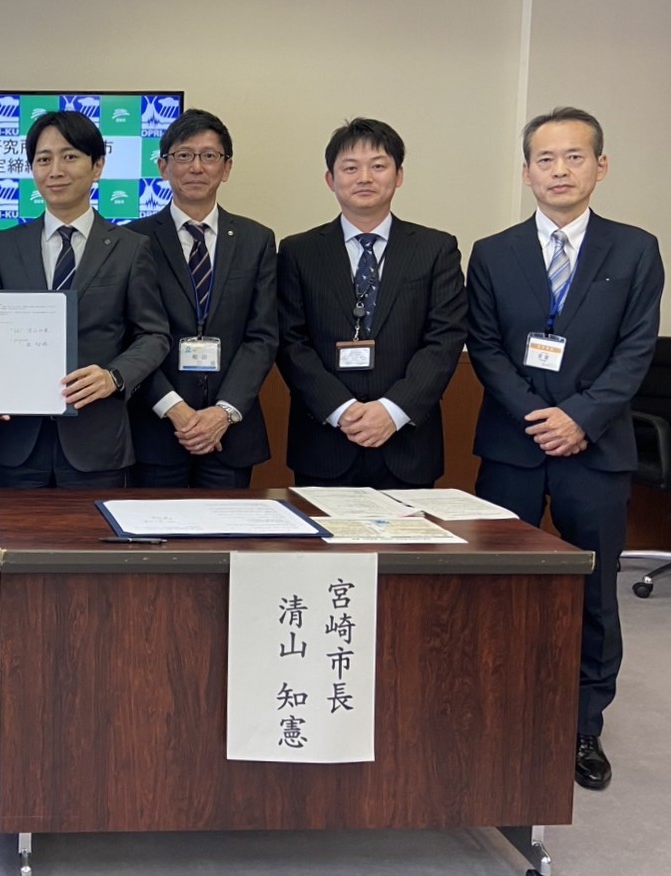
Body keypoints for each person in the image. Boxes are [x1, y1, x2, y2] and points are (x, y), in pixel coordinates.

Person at [467, 107, 664, 791]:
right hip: (513, 446)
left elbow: (635, 349)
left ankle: (583, 726)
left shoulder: (634, 249)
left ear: (600, 167)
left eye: (574, 157)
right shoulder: (492, 252)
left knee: (594, 591)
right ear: (525, 172)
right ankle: (496, 713)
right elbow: (484, 346)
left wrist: (578, 418)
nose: (559, 170)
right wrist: (537, 416)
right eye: (545, 159)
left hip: (596, 448)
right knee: (497, 587)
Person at [0, 110, 169, 488]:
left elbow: (153, 335)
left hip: (98, 440)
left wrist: (113, 377)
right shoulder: (4, 245)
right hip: (18, 441)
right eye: (43, 159)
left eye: (69, 157)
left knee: (93, 530)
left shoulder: (130, 248)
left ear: (97, 166)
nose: (55, 170)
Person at [276, 118, 466, 489]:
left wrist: (392, 411)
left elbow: (445, 339)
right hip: (325, 441)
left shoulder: (435, 249)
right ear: (330, 179)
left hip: (407, 443)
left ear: (399, 175)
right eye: (350, 168)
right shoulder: (299, 251)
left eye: (378, 166)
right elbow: (290, 341)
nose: (365, 177)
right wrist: (341, 410)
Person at [126, 109, 277, 488]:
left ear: (226, 168)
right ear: (163, 166)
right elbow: (130, 335)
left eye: (209, 156)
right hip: (156, 430)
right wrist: (174, 409)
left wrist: (223, 413)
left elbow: (262, 337)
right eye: (183, 155)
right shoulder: (132, 240)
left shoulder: (256, 240)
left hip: (231, 432)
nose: (196, 167)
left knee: (226, 526)